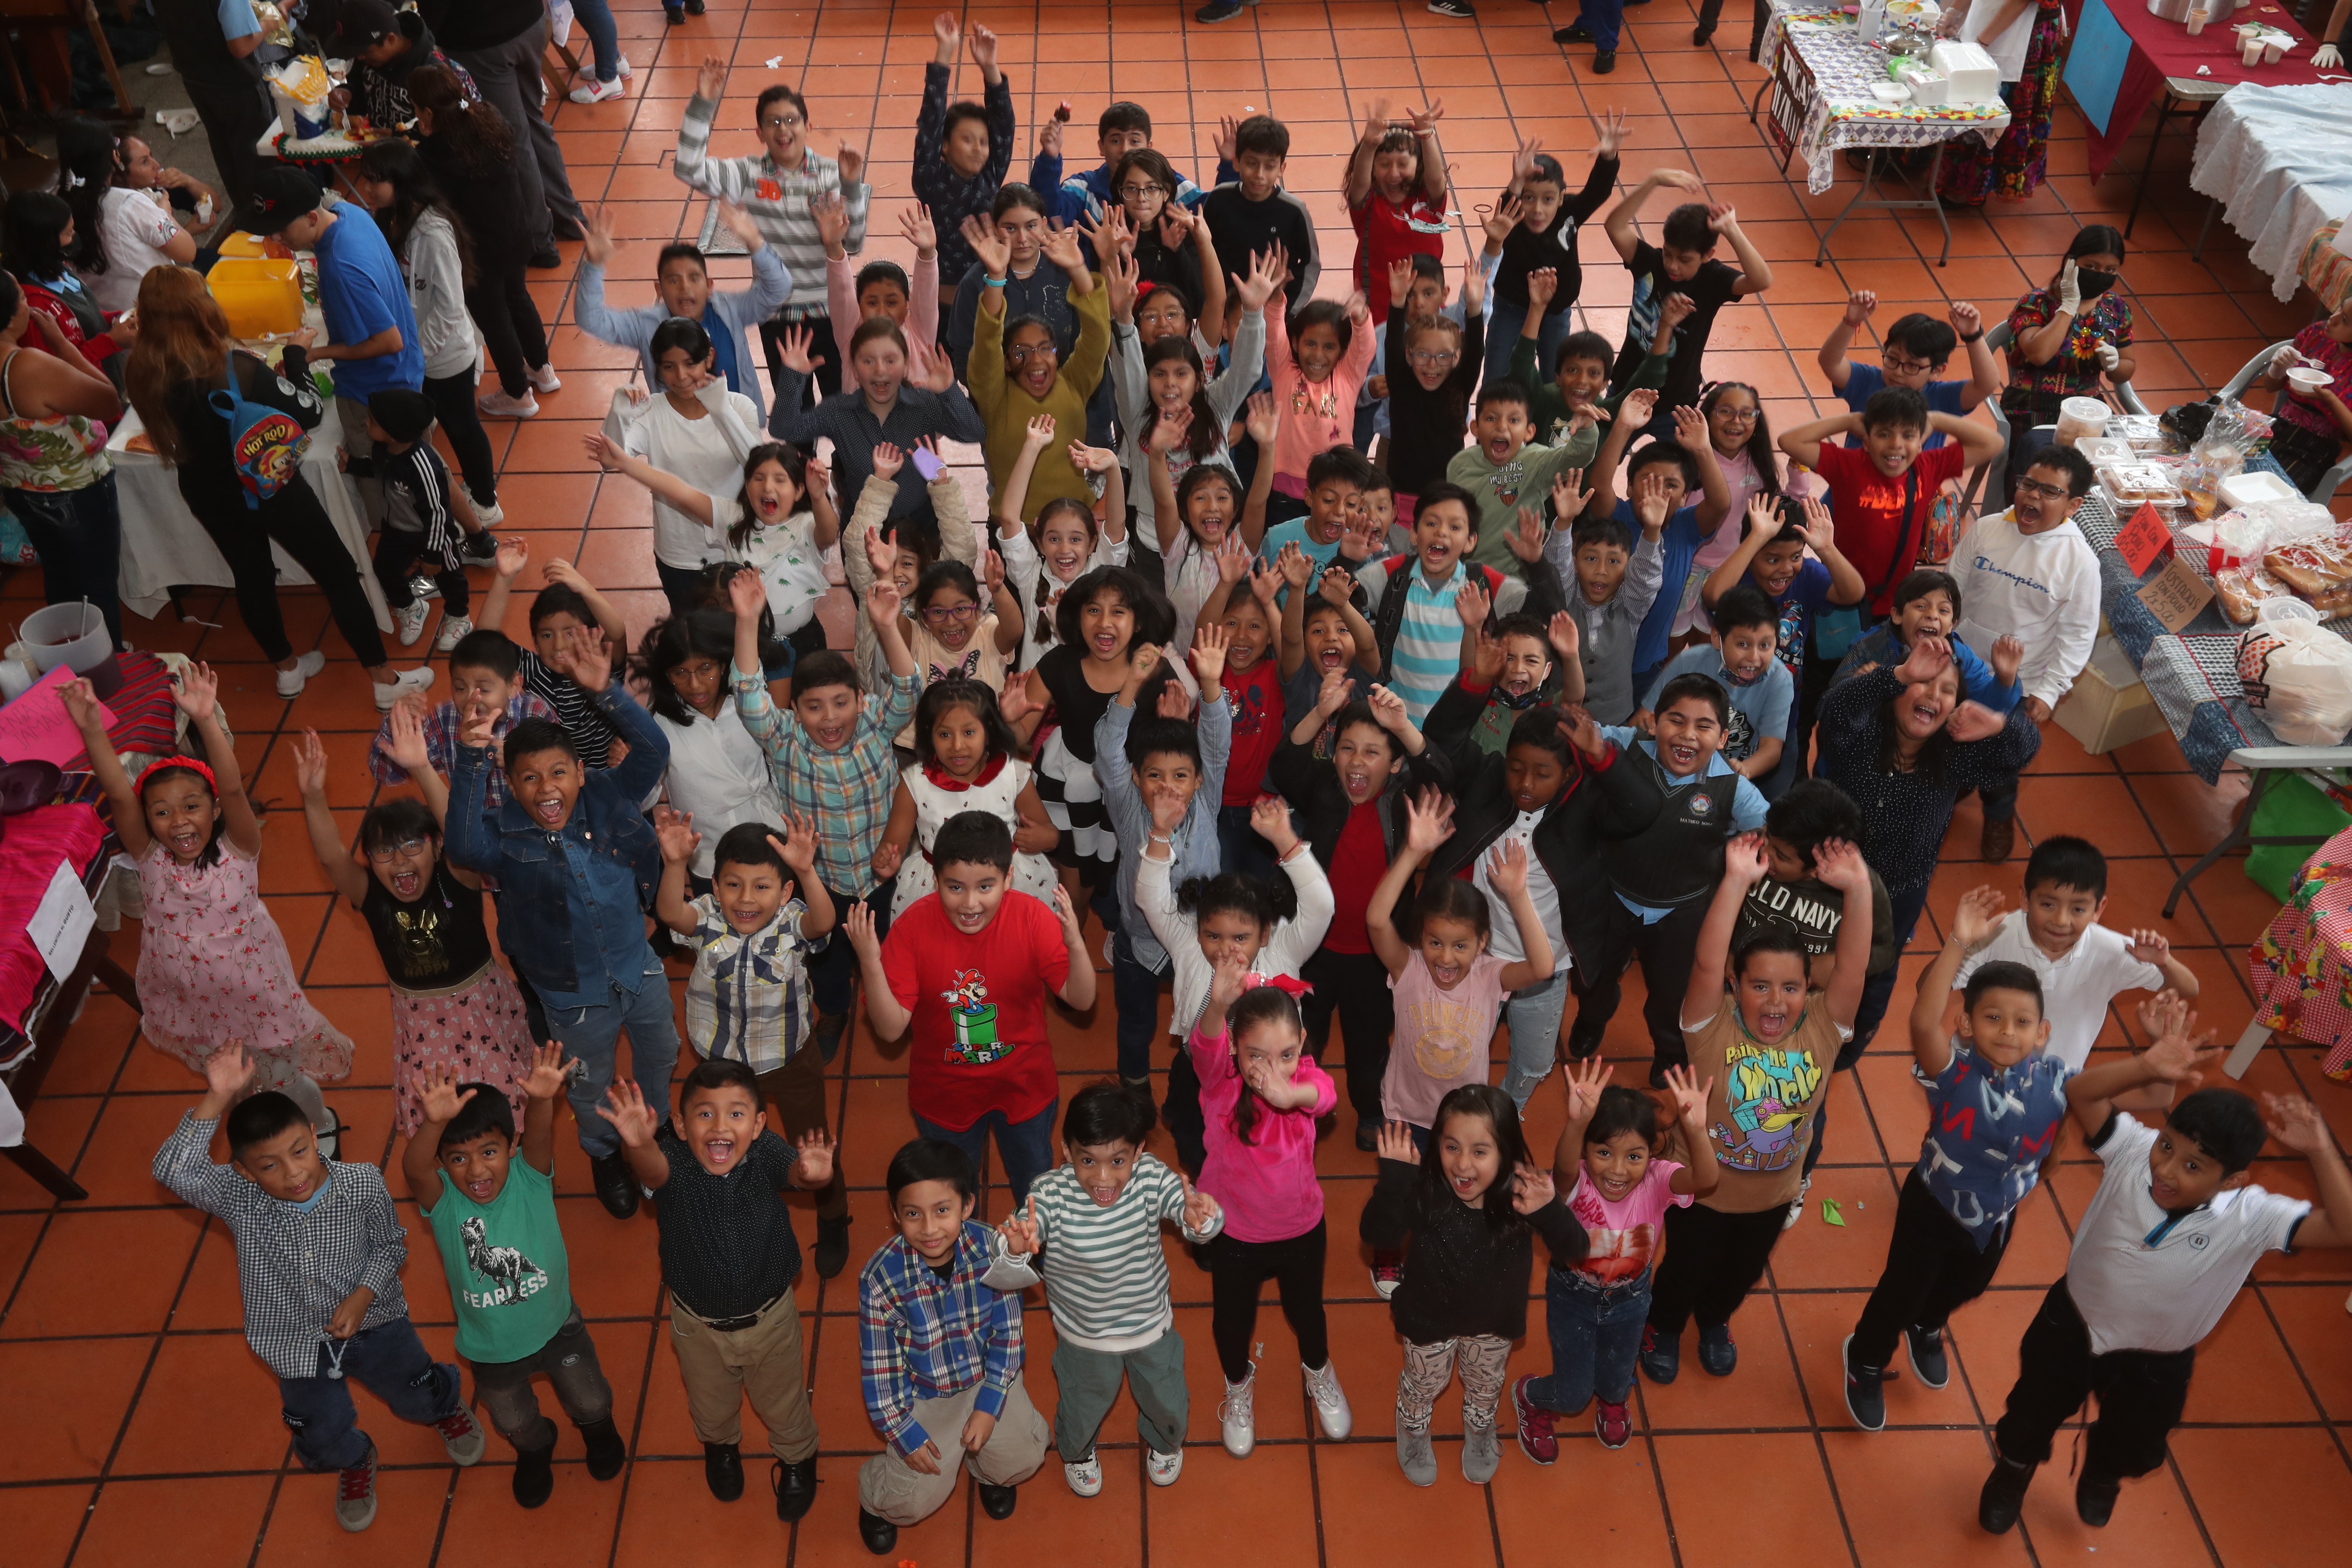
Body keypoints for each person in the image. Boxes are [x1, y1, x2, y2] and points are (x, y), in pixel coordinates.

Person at [1977, 1000, 2352, 1534]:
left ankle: (2103, 1473)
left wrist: (2320, 1151)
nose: (2167, 1170)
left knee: (2136, 1439)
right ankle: (2012, 1472)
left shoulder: (2252, 1217)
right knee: (2031, 1411)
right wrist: (2147, 1066)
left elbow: (2347, 1230)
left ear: (2233, 1181)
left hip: (2157, 1361)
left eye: (2193, 1166)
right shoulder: (2134, 1150)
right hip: (2072, 1323)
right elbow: (2081, 1092)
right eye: (2168, 1146)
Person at [1840, 889, 2189, 1433]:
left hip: (1997, 1216)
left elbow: (2159, 1099)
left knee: (1970, 1286)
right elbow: (1922, 1021)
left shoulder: (2059, 1082)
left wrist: (2157, 1058)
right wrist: (1958, 943)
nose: (2007, 1030)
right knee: (1900, 1290)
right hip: (1933, 1208)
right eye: (1993, 1017)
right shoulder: (1953, 1075)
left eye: (2022, 1021)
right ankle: (1864, 1355)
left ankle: (1927, 1326)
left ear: (2043, 1034)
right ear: (1967, 1026)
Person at [154, 1044, 487, 1534]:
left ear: (316, 1134)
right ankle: (354, 1461)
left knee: (414, 1391)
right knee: (320, 1431)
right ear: (243, 1171)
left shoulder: (362, 1184)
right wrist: (217, 1096)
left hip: (377, 1327)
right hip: (294, 1346)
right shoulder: (239, 1198)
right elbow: (173, 1171)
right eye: (268, 1166)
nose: (293, 1174)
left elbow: (392, 1248)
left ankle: (443, 1409)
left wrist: (363, 1295)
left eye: (300, 1152)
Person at [445, 625, 677, 1218]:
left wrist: (609, 695)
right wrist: (472, 759)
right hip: (572, 997)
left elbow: (654, 752)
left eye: (558, 773)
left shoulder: (606, 793)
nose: (547, 789)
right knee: (590, 1079)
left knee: (661, 1052)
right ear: (512, 787)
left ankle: (654, 1130)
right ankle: (604, 1150)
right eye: (529, 778)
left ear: (579, 771)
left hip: (639, 968)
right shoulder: (504, 837)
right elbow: (465, 845)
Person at [68, 662, 352, 1136]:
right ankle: (263, 1133)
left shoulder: (238, 848)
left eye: (192, 806)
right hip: (195, 1005)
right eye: (161, 812)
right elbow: (118, 795)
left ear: (216, 809)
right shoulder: (149, 856)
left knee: (282, 1081)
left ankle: (317, 1125)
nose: (178, 821)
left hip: (257, 999)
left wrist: (203, 719)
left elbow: (235, 785)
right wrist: (92, 728)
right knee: (235, 1082)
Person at [124, 268, 432, 705]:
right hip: (269, 487)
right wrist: (297, 355)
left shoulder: (141, 368)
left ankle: (287, 669)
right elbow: (307, 412)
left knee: (251, 576)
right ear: (204, 309)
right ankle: (383, 680)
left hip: (207, 491)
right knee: (339, 574)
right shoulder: (234, 367)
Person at [1641, 833, 1871, 1382]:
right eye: (1760, 985)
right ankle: (1665, 1324)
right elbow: (1703, 962)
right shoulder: (1710, 1026)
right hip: (1702, 1189)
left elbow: (1854, 972)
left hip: (1773, 1195)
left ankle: (1715, 1319)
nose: (1776, 1001)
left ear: (1808, 990)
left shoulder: (1821, 1026)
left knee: (1741, 1273)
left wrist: (1859, 889)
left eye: (1791, 988)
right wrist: (1736, 881)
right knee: (1686, 1268)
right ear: (1734, 984)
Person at [598, 1062, 839, 1519]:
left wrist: (817, 1175)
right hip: (697, 1324)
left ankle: (798, 1457)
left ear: (759, 1123)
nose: (720, 1127)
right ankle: (721, 1447)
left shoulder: (765, 1151)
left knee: (785, 1401)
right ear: (682, 1125)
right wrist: (640, 1144)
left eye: (736, 1114)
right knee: (710, 1403)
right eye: (705, 1115)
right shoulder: (672, 1159)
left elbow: (800, 1173)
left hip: (771, 1317)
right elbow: (652, 1174)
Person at [399, 1052, 626, 1505]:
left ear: (511, 1148)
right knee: (513, 1420)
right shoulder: (447, 1205)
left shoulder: (531, 1177)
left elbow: (540, 1133)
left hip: (560, 1328)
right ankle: (536, 1448)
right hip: (491, 1349)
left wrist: (542, 1100)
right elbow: (414, 1169)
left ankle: (598, 1433)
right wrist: (432, 1124)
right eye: (458, 1158)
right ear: (444, 1164)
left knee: (591, 1401)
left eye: (489, 1152)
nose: (477, 1170)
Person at [296, 718, 537, 1138]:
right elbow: (334, 859)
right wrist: (314, 798)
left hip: (482, 1005)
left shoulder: (457, 874)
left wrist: (423, 768)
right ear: (370, 860)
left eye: (413, 844)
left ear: (438, 844)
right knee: (435, 1116)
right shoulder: (371, 895)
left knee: (506, 1096)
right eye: (384, 851)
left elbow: (460, 830)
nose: (400, 860)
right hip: (421, 1021)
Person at [983, 1082, 1225, 1496]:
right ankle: (1077, 1452)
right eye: (1087, 1161)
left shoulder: (1150, 1177)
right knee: (1082, 1406)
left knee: (1167, 1400)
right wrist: (1014, 1245)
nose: (1103, 1177)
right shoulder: (1049, 1193)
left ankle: (1166, 1442)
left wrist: (1201, 1218)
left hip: (1151, 1325)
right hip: (1083, 1337)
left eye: (1117, 1160)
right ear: (1066, 1151)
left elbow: (1192, 1217)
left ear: (1139, 1151)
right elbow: (1014, 1238)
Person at [848, 811, 1096, 1203]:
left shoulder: (1033, 919)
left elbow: (1082, 1000)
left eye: (986, 886)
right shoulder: (912, 928)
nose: (970, 903)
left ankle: (1036, 1257)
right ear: (935, 881)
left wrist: (1077, 944)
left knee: (1034, 1191)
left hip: (1025, 1086)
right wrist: (870, 963)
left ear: (1009, 879)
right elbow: (891, 1029)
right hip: (944, 1094)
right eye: (955, 887)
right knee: (954, 1195)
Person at [729, 568, 921, 1063]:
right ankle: (833, 1010)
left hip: (885, 880)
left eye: (841, 703)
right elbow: (750, 697)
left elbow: (908, 687)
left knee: (892, 953)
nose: (830, 718)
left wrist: (886, 626)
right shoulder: (784, 738)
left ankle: (898, 1004)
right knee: (829, 963)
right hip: (824, 886)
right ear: (794, 710)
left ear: (861, 700)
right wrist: (748, 620)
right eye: (814, 707)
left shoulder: (878, 721)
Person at [650, 816, 852, 1278]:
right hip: (718, 1066)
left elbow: (823, 922)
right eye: (733, 885)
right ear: (716, 886)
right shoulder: (706, 918)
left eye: (762, 887)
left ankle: (833, 1213)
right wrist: (675, 864)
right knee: (720, 1135)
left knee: (813, 1142)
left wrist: (806, 871)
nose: (746, 899)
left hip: (790, 1059)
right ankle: (722, 1203)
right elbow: (670, 914)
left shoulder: (790, 925)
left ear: (783, 893)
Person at [1363, 1088, 1586, 1484]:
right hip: (1427, 1321)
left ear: (1506, 1154)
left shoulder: (1521, 1197)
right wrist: (1395, 1183)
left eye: (1480, 1152)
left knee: (1486, 1386)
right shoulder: (1424, 1189)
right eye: (1452, 1147)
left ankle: (1481, 1428)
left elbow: (1576, 1250)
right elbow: (1380, 1236)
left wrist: (1552, 1212)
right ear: (1437, 1146)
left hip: (1493, 1324)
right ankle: (1413, 1431)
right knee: (1422, 1386)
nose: (1463, 1164)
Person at [853, 1137, 1054, 1556]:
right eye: (913, 1214)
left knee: (1025, 1458)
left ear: (967, 1206)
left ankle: (986, 1471)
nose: (929, 1228)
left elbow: (1009, 1337)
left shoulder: (993, 1250)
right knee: (911, 1501)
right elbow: (881, 1376)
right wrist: (904, 1433)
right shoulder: (880, 1279)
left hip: (987, 1379)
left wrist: (989, 1403)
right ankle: (876, 1498)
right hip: (927, 1396)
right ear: (895, 1214)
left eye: (942, 1211)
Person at [1272, 680, 1452, 1146]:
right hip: (1313, 951)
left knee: (1368, 1048)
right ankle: (1290, 1107)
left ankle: (1370, 1112)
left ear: (1394, 765)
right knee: (1300, 1036)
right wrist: (1319, 713)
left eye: (1373, 752)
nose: (1357, 761)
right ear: (1333, 757)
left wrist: (1403, 727)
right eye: (1347, 749)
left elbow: (1442, 775)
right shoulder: (1323, 790)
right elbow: (1285, 765)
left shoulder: (1404, 800)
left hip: (1377, 959)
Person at [1187, 972, 1354, 1458]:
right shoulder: (1221, 1085)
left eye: (1285, 1054)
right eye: (1256, 1055)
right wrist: (1217, 1007)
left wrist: (1290, 1094)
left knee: (1307, 1314)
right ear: (1236, 1052)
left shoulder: (1302, 1082)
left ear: (1302, 1043)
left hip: (1302, 1230)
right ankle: (1238, 1383)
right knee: (1231, 1325)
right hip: (1236, 1235)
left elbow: (1327, 1096)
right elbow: (1204, 1048)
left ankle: (1318, 1371)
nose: (1271, 1068)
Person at [1515, 1060, 1716, 1457]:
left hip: (1631, 1300)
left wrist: (1695, 1130)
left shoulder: (1659, 1180)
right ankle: (1531, 1395)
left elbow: (1706, 1180)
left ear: (1651, 1154)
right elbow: (1564, 1166)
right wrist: (1575, 1123)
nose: (1619, 1170)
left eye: (1634, 1156)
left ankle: (1612, 1400)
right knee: (1572, 1396)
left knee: (1617, 1377)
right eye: (1604, 1152)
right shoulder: (1576, 1182)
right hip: (1573, 1298)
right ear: (1587, 1150)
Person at [1579, 674, 1771, 1077]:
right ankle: (1594, 1017)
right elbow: (1581, 730)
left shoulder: (1734, 789)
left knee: (1672, 999)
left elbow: (1776, 833)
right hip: (1612, 896)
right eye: (1676, 720)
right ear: (1654, 721)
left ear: (1722, 739)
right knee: (1592, 977)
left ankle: (1669, 1051)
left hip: (1683, 914)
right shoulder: (1628, 745)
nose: (1687, 736)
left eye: (1704, 727)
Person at [677, 57, 867, 406]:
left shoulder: (831, 173)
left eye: (792, 120)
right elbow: (688, 167)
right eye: (773, 122)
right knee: (795, 417)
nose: (784, 129)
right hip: (778, 317)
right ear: (760, 132)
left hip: (833, 314)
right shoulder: (749, 175)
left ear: (808, 125)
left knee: (846, 410)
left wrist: (852, 185)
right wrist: (703, 101)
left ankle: (846, 463)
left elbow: (853, 243)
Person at [1946, 445, 2103, 859]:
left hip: (2018, 683)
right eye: (2027, 485)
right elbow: (1953, 586)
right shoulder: (1988, 529)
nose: (2032, 497)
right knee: (1948, 737)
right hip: (1959, 664)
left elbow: (2078, 635)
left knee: (1999, 763)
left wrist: (2049, 691)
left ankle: (1998, 817)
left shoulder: (2079, 563)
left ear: (2073, 505)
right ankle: (1949, 791)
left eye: (2049, 492)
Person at [1097, 632, 1234, 1087]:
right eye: (1154, 776)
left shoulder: (1206, 801)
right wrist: (1132, 684)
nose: (1168, 787)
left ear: (1199, 781)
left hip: (1200, 947)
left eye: (1180, 776)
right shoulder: (1128, 805)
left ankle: (1198, 1086)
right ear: (1136, 778)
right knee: (1135, 1025)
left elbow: (1215, 744)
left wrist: (1211, 685)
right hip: (1138, 946)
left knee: (1202, 1023)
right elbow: (1108, 751)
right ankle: (1134, 1088)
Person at [350, 139, 505, 522]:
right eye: (366, 179)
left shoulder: (433, 234)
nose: (368, 188)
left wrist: (417, 353)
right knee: (449, 424)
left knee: (463, 427)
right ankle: (471, 488)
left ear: (402, 180)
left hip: (445, 355)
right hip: (421, 352)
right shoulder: (394, 217)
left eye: (376, 180)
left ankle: (486, 502)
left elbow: (451, 307)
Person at [1953, 837, 2199, 1072]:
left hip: (2053, 1084)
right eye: (2048, 905)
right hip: (1977, 1066)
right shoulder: (1997, 932)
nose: (2061, 921)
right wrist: (1958, 944)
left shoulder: (2113, 950)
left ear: (2098, 909)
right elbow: (1932, 986)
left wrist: (2165, 963)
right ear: (2025, 898)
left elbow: (2189, 989)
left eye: (2078, 909)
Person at [408, 64, 559, 421]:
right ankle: (542, 368)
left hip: (479, 251)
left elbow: (429, 190)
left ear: (428, 112)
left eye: (417, 109)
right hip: (516, 233)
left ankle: (517, 394)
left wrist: (419, 141)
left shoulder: (435, 153)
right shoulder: (487, 118)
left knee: (495, 321)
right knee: (519, 298)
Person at [768, 319, 983, 545]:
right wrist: (793, 377)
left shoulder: (925, 404)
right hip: (863, 530)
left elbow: (974, 432)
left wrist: (948, 392)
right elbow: (784, 428)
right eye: (868, 361)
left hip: (922, 528)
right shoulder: (839, 412)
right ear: (855, 369)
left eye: (890, 360)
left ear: (906, 366)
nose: (880, 370)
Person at [576, 201, 790, 427]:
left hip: (740, 426)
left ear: (709, 286)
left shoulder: (731, 310)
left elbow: (779, 289)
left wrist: (756, 244)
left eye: (694, 278)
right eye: (674, 280)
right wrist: (594, 265)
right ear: (659, 290)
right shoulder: (646, 326)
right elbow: (591, 320)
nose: (685, 288)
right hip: (681, 437)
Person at [0, 270, 125, 650]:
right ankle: (109, 665)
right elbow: (109, 400)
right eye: (22, 297)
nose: (29, 305)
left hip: (21, 490)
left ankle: (70, 661)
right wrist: (62, 344)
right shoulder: (26, 366)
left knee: (60, 577)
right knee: (97, 587)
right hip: (74, 494)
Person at [416, 0, 585, 267]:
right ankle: (572, 219)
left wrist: (424, 39)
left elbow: (434, 12)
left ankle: (541, 242)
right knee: (533, 122)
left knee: (512, 139)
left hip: (484, 42)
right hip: (528, 22)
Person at [1603, 172, 1774, 434]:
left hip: (1677, 401)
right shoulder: (1649, 263)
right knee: (1599, 456)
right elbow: (1614, 226)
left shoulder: (1713, 279)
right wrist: (1653, 181)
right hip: (1628, 386)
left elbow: (1762, 280)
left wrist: (1731, 230)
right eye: (1668, 254)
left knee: (1678, 472)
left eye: (1684, 260)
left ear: (1708, 255)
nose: (1672, 265)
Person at [875, 680, 1058, 919]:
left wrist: (1041, 838)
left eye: (969, 732)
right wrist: (887, 859)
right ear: (930, 737)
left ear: (989, 734)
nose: (957, 746)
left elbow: (1051, 834)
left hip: (1006, 885)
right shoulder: (915, 783)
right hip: (939, 888)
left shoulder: (1013, 774)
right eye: (944, 734)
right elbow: (892, 846)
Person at [1480, 123, 1623, 384]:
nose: (1537, 209)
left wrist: (1609, 156)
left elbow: (1598, 191)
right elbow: (1507, 207)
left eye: (1548, 199)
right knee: (1497, 375)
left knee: (1555, 379)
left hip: (1557, 311)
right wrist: (1515, 182)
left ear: (1561, 199)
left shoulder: (1571, 213)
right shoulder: (1511, 218)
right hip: (1511, 307)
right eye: (1529, 198)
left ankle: (1548, 424)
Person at [367, 628, 556, 807]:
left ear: (514, 685)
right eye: (460, 688)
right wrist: (397, 724)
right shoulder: (444, 719)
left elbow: (561, 769)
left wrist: (521, 760)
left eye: (485, 689)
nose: (471, 698)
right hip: (475, 827)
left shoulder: (535, 712)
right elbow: (384, 773)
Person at [355, 388, 479, 652]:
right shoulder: (383, 448)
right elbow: (378, 469)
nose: (365, 423)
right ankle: (411, 607)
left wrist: (432, 555)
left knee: (450, 578)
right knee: (384, 569)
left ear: (394, 430)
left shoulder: (423, 466)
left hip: (432, 536)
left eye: (372, 420)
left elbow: (437, 512)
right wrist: (353, 466)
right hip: (396, 529)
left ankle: (460, 617)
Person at [1998, 230, 2135, 460]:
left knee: (2106, 467)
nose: (2101, 275)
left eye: (2111, 270)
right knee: (2048, 464)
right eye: (2092, 267)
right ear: (2071, 262)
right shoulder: (2036, 302)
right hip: (2031, 406)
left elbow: (2127, 368)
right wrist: (2069, 306)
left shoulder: (2117, 308)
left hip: (2088, 411)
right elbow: (2039, 354)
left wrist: (2113, 363)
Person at [1639, 583, 1793, 787]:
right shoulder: (1689, 663)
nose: (1754, 658)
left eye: (1765, 645)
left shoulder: (1780, 679)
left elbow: (1771, 749)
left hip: (1731, 775)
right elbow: (1644, 718)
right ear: (1717, 639)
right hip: (1676, 764)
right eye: (1743, 645)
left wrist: (1743, 770)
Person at [1817, 291, 1999, 447]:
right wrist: (1850, 323)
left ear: (1936, 371)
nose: (1898, 371)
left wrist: (1973, 336)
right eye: (1893, 359)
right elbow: (1830, 363)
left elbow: (1986, 385)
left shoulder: (1944, 398)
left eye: (1912, 365)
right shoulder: (1868, 381)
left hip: (1915, 489)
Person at [1936, 0, 2070, 208]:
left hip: (2023, 28)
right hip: (1992, 12)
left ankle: (1969, 184)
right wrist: (1954, 12)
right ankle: (1952, 176)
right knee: (1969, 82)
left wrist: (1981, 43)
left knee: (1990, 96)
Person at [914, 14, 1015, 289]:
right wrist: (945, 51)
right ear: (944, 146)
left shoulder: (991, 175)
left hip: (991, 287)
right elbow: (931, 122)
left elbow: (1004, 127)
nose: (979, 149)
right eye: (968, 139)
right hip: (942, 295)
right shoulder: (930, 179)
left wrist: (990, 68)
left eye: (984, 141)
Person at [150, 0, 273, 210]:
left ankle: (247, 218)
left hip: (196, 80)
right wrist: (270, 23)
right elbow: (241, 46)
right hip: (235, 85)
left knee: (226, 151)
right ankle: (266, 222)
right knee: (257, 157)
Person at [1198, 113, 1321, 312]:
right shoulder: (1219, 199)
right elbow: (1200, 249)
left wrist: (1287, 311)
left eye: (1270, 166)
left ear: (1282, 169)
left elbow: (1310, 265)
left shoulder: (1295, 211)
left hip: (1272, 311)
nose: (1260, 175)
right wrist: (1208, 302)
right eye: (1252, 163)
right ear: (1237, 163)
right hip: (1222, 310)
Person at [1345, 101, 1449, 321]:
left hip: (1424, 306)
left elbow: (1436, 178)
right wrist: (1370, 145)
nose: (1394, 174)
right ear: (1372, 169)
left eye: (1403, 164)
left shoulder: (1429, 203)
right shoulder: (1369, 204)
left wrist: (1427, 136)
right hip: (1377, 309)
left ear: (1419, 165)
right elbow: (1359, 182)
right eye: (1384, 165)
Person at [2250, 299, 2352, 493]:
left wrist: (2329, 399)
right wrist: (2279, 366)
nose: (2333, 318)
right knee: (2226, 465)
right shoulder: (2317, 335)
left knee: (2270, 494)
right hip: (2277, 427)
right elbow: (2270, 387)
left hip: (2315, 451)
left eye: (2345, 320)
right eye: (2340, 308)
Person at [334, 0, 476, 130]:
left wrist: (398, 136)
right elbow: (363, 89)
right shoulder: (370, 58)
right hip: (383, 152)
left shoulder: (435, 74)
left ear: (391, 39)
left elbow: (452, 134)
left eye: (364, 52)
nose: (360, 57)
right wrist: (349, 93)